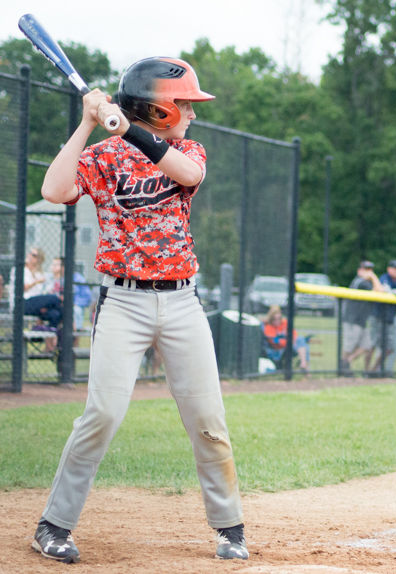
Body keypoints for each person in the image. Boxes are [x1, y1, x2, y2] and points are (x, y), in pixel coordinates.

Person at [32, 57, 247, 563]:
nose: (192, 114)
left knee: (207, 418)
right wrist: (87, 122)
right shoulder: (104, 157)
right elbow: (54, 190)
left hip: (182, 302)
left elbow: (187, 173)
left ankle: (230, 528)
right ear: (158, 108)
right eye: (184, 105)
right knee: (102, 413)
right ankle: (52, 526)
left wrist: (127, 128)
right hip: (123, 303)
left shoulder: (188, 151)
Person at [369, 259, 396, 375]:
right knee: (374, 345)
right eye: (395, 268)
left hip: (390, 318)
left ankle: (379, 370)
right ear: (389, 269)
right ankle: (368, 370)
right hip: (379, 317)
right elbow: (383, 290)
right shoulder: (385, 278)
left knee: (392, 347)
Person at [339, 260, 383, 374]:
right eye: (366, 270)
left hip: (361, 320)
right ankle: (343, 368)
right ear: (359, 271)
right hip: (352, 319)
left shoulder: (366, 283)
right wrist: (373, 277)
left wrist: (372, 277)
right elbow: (379, 291)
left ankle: (346, 362)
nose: (369, 272)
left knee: (367, 345)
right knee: (349, 346)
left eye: (370, 270)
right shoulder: (361, 282)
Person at [11, 247, 64, 330]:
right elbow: (21, 288)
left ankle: (50, 331)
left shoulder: (39, 273)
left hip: (37, 305)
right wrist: (36, 282)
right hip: (22, 303)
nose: (29, 255)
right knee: (55, 299)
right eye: (30, 253)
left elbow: (41, 294)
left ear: (39, 259)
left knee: (55, 314)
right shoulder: (19, 270)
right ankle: (69, 326)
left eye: (34, 255)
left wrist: (44, 304)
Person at [262, 304, 309, 371]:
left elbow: (294, 334)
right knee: (302, 344)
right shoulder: (268, 328)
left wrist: (291, 341)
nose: (277, 321)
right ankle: (305, 367)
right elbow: (275, 341)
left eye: (279, 319)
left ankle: (303, 363)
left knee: (300, 339)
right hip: (278, 350)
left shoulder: (285, 323)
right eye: (274, 319)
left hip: (290, 345)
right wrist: (288, 342)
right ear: (271, 319)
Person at [50, 257, 93, 330]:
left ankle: (75, 331)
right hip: (59, 305)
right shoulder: (58, 279)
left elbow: (87, 297)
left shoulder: (78, 278)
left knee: (76, 310)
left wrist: (74, 303)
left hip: (75, 305)